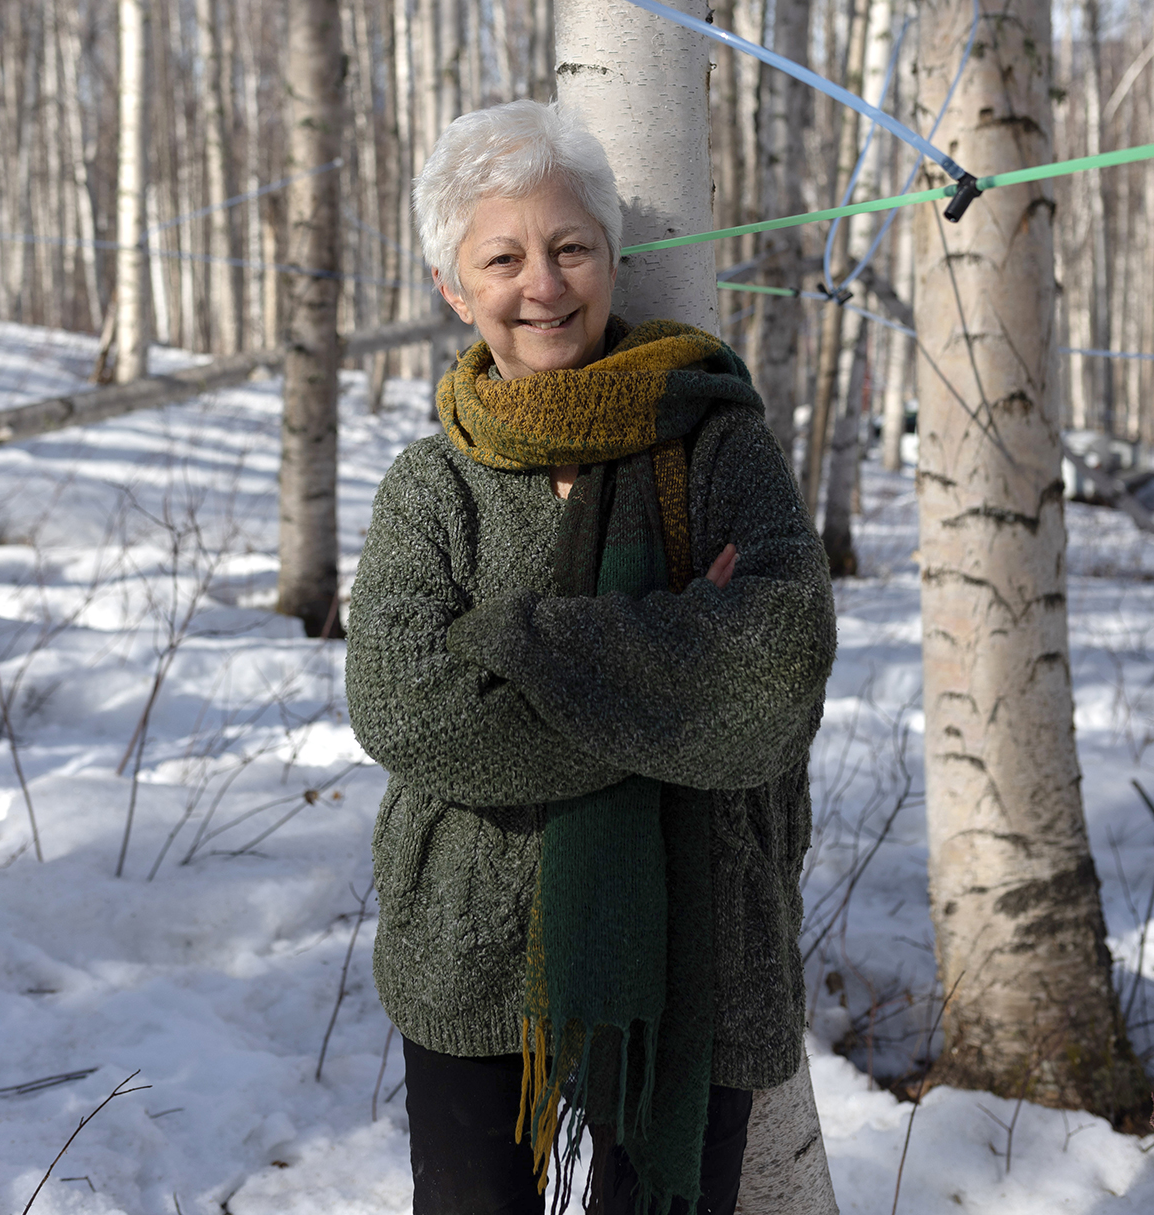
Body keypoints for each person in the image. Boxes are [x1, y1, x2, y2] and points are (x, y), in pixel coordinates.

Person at [345, 100, 836, 1215]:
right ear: (453, 290)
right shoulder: (433, 490)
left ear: (612, 258)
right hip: (472, 950)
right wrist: (671, 676)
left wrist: (510, 644)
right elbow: (406, 710)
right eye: (504, 258)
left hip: (698, 954)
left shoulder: (717, 439)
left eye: (571, 248)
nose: (546, 286)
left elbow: (773, 677)